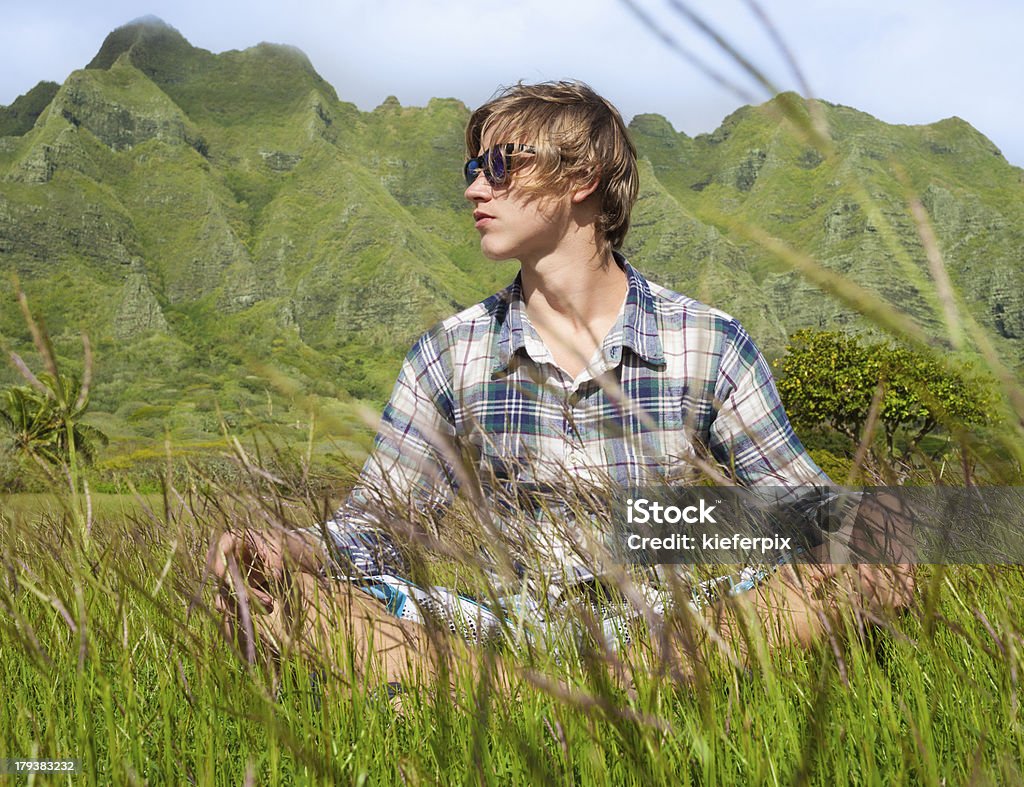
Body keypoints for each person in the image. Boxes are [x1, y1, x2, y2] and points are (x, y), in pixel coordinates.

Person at [212, 81, 913, 688]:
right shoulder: (452, 351)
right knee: (271, 594)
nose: (474, 188)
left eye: (499, 165)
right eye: (473, 167)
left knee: (857, 569)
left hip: (682, 625)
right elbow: (380, 526)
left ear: (583, 177)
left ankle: (513, 698)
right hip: (507, 629)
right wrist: (284, 547)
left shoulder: (706, 342)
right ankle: (574, 698)